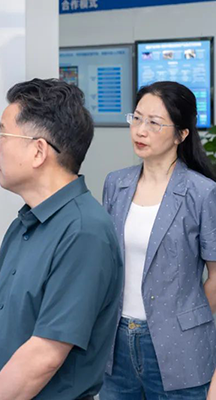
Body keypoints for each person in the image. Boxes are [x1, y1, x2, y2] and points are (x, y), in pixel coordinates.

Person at [0, 78, 123, 400]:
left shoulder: (84, 232)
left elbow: (44, 355)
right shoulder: (25, 222)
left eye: (2, 135)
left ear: (38, 151)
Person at [100, 81, 216, 399]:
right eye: (136, 118)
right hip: (116, 342)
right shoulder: (116, 184)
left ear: (181, 134)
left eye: (154, 123)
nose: (140, 130)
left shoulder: (202, 192)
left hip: (178, 347)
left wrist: (182, 322)